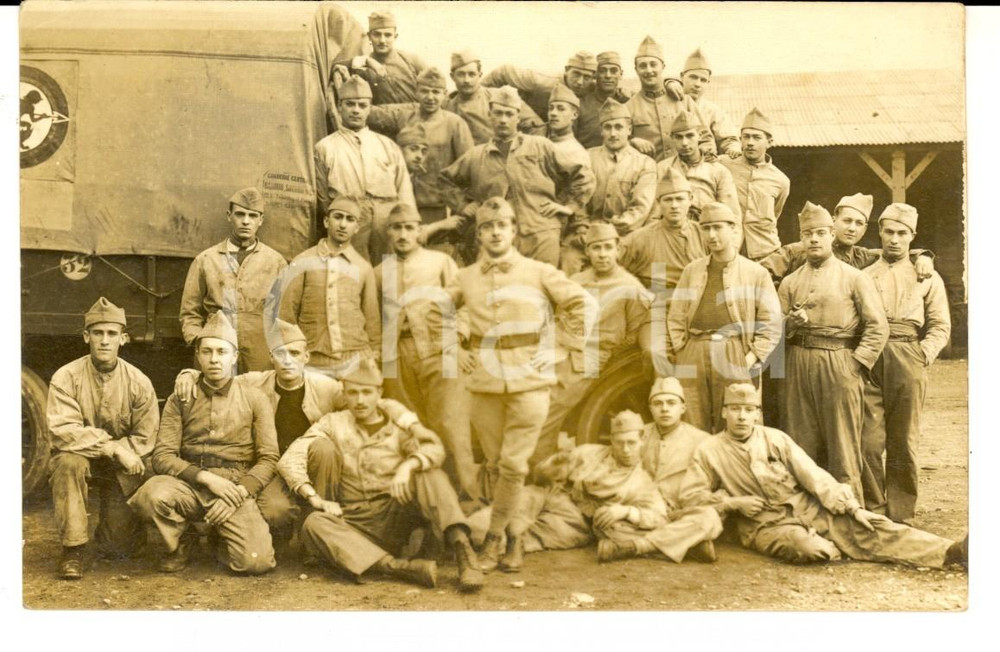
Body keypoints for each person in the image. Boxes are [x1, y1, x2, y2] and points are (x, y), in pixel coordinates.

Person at [446, 196, 594, 571]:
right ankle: (516, 539)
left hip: (530, 381)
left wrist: (562, 345)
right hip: (485, 383)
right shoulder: (464, 277)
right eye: (487, 227)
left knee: (514, 465)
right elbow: (436, 312)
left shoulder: (539, 271)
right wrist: (454, 346)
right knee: (496, 465)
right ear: (479, 235)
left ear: (514, 231)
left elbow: (584, 305)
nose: (496, 233)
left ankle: (493, 541)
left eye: (503, 226)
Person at [680, 383, 967, 569]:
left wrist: (852, 508)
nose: (742, 417)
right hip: (764, 525)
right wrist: (733, 504)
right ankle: (833, 545)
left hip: (808, 508)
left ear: (757, 414)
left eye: (748, 410)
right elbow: (691, 497)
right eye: (735, 410)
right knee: (811, 549)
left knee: (872, 526)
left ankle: (951, 552)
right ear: (723, 412)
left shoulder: (775, 438)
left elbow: (813, 475)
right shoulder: (709, 450)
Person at [278, 364, 485, 593]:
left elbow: (434, 448)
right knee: (314, 523)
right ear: (344, 394)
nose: (360, 401)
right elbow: (289, 458)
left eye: (367, 393)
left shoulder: (398, 424)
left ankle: (463, 551)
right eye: (353, 393)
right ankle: (396, 567)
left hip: (395, 513)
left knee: (429, 473)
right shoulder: (333, 423)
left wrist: (408, 466)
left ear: (379, 394)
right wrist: (315, 498)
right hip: (354, 522)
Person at [129, 312, 278, 574]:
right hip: (190, 483)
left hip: (234, 486)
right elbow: (162, 456)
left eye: (222, 352)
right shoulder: (181, 397)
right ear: (198, 356)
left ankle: (219, 538)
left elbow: (269, 458)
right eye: (207, 351)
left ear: (234, 358)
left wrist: (240, 492)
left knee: (256, 561)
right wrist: (206, 478)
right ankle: (180, 543)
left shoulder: (255, 399)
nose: (214, 359)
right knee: (151, 495)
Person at [777, 201, 888, 503]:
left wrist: (856, 365)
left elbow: (877, 326)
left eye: (821, 233)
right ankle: (807, 515)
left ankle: (851, 514)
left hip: (840, 363)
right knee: (801, 444)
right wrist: (790, 324)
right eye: (808, 234)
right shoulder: (789, 282)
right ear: (801, 239)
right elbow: (775, 331)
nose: (814, 239)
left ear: (831, 236)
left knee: (843, 445)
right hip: (798, 364)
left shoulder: (854, 277)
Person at [46, 297, 159, 579]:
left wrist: (121, 453)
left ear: (124, 338)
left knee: (119, 548)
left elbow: (146, 437)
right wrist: (110, 447)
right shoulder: (66, 376)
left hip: (120, 467)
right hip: (82, 457)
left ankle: (116, 528)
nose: (104, 341)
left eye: (111, 334)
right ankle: (74, 549)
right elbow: (62, 431)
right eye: (98, 333)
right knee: (67, 463)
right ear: (86, 337)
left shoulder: (138, 381)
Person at [374, 204, 480, 499]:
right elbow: (373, 319)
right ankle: (427, 502)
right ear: (389, 233)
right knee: (410, 429)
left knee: (451, 425)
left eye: (410, 227)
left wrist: (458, 339)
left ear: (420, 231)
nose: (404, 234)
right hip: (397, 357)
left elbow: (467, 303)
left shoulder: (440, 262)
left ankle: (467, 501)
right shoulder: (379, 272)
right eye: (397, 228)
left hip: (441, 350)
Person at [529, 222, 653, 468]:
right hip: (560, 346)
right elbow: (558, 317)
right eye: (596, 248)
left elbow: (636, 331)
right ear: (587, 252)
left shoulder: (630, 286)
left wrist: (605, 349)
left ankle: (537, 471)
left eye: (608, 247)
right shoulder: (576, 280)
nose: (603, 254)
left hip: (593, 356)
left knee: (548, 408)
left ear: (618, 249)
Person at [527, 410, 722, 565]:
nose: (626, 450)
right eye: (620, 443)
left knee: (614, 529)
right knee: (528, 496)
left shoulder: (642, 481)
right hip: (563, 504)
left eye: (631, 443)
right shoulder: (589, 453)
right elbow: (541, 478)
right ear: (611, 440)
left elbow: (658, 516)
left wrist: (626, 511)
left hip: (584, 525)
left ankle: (636, 547)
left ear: (641, 442)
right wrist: (551, 466)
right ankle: (688, 548)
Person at [861, 204, 951, 523]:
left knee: (903, 440)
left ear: (912, 237)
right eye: (889, 232)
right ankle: (873, 509)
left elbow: (940, 325)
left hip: (908, 353)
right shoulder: (864, 274)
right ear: (880, 233)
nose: (895, 240)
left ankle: (901, 514)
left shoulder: (927, 275)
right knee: (867, 440)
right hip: (870, 355)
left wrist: (922, 355)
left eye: (902, 234)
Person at [440, 87, 595, 267]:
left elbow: (583, 176)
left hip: (541, 235)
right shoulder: (477, 156)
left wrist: (568, 206)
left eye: (509, 114)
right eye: (498, 113)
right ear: (489, 114)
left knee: (543, 289)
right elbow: (444, 181)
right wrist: (463, 205)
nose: (503, 119)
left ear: (518, 117)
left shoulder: (540, 146)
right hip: (498, 239)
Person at [664, 202, 782, 432]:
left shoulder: (755, 273)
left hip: (733, 350)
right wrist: (681, 349)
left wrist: (751, 357)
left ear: (734, 229)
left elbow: (771, 322)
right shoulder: (692, 270)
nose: (711, 234)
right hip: (695, 349)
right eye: (706, 228)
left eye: (718, 227)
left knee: (736, 424)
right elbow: (677, 315)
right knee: (691, 421)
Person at [179, 187, 287, 372]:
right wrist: (201, 341)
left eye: (253, 216)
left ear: (261, 220)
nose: (246, 221)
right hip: (218, 347)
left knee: (258, 395)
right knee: (217, 396)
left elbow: (286, 313)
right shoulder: (206, 259)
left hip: (260, 348)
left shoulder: (276, 262)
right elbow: (189, 312)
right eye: (240, 214)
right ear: (229, 216)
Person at [314, 75, 415, 263]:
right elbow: (322, 197)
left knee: (389, 278)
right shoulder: (325, 147)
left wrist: (406, 225)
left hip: (387, 220)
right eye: (350, 104)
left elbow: (404, 190)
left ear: (369, 109)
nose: (356, 110)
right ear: (340, 106)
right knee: (352, 274)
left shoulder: (387, 145)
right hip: (350, 219)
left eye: (362, 105)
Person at [276, 196, 381, 378]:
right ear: (326, 221)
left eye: (350, 219)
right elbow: (286, 316)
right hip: (313, 362)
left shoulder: (363, 268)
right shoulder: (302, 262)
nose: (342, 224)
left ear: (356, 228)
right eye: (338, 217)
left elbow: (372, 321)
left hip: (354, 360)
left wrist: (374, 357)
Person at [760, 193, 935, 281]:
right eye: (847, 221)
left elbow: (893, 252)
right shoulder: (797, 250)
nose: (852, 228)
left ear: (865, 229)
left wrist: (923, 256)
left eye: (859, 223)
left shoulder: (861, 256)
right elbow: (759, 276)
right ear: (834, 222)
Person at [367, 67, 474, 175]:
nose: (430, 97)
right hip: (409, 185)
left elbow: (467, 164)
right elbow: (371, 113)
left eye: (436, 92)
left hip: (440, 187)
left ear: (445, 94)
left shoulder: (455, 123)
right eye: (424, 91)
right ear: (416, 92)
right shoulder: (405, 116)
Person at [720, 108, 791, 261]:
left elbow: (775, 213)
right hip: (730, 249)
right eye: (746, 137)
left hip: (764, 254)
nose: (750, 143)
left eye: (757, 137)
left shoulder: (781, 180)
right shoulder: (723, 165)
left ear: (769, 142)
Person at [394, 123, 471, 264]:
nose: (419, 156)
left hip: (423, 254)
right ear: (398, 150)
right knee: (389, 284)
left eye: (423, 151)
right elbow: (406, 235)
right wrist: (442, 225)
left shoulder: (425, 183)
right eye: (413, 149)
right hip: (393, 256)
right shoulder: (389, 182)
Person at [618, 167, 706, 290]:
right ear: (658, 202)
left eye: (679, 199)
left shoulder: (704, 234)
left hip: (697, 302)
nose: (674, 205)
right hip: (658, 304)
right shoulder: (639, 239)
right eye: (668, 200)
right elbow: (612, 272)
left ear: (690, 199)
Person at [625, 36, 707, 162]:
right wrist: (631, 141)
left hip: (686, 175)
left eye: (653, 64)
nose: (649, 70)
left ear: (662, 66)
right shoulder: (628, 108)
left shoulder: (684, 101)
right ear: (636, 70)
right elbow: (619, 144)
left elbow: (705, 138)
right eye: (643, 66)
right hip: (650, 175)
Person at [585, 98, 657, 236]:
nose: (613, 134)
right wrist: (584, 228)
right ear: (601, 131)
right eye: (608, 127)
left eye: (618, 127)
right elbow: (578, 199)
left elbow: (640, 208)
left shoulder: (645, 164)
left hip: (626, 235)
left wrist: (608, 232)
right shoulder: (587, 158)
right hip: (587, 233)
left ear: (629, 130)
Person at [546, 82, 596, 275]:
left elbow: (583, 191)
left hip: (561, 225)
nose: (553, 113)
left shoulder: (575, 151)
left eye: (560, 108)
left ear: (574, 115)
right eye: (551, 108)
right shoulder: (543, 141)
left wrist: (568, 209)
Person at [445, 50, 545, 145]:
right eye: (461, 74)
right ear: (452, 76)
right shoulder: (446, 106)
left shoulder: (498, 98)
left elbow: (537, 127)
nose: (466, 80)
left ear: (479, 75)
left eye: (471, 74)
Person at [654, 111, 741, 218]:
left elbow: (731, 213)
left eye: (690, 136)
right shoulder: (662, 169)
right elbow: (654, 212)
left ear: (699, 136)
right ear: (672, 138)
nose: (684, 143)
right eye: (679, 137)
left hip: (708, 229)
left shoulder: (718, 171)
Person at [343, 11, 429, 105]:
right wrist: (367, 60)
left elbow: (435, 86)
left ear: (395, 37)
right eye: (377, 34)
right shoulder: (361, 67)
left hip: (415, 117)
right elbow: (332, 68)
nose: (382, 40)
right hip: (381, 118)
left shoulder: (412, 60)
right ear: (369, 36)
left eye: (388, 35)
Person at [678, 49, 740, 159]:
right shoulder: (668, 104)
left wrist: (733, 149)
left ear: (708, 83)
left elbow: (729, 138)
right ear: (681, 76)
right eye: (693, 77)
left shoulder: (713, 111)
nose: (697, 84)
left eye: (703, 80)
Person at [575, 51, 633, 149]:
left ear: (621, 74)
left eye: (613, 71)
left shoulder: (628, 101)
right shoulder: (581, 105)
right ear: (595, 74)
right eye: (602, 71)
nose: (608, 76)